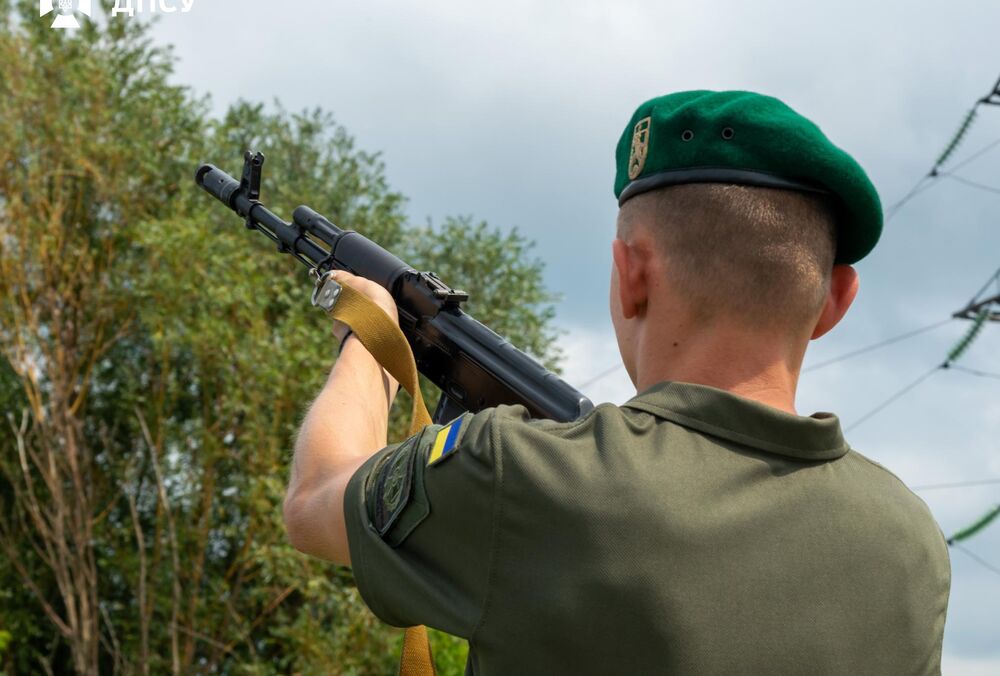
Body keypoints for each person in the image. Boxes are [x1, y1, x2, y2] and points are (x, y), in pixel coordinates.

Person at [282, 90, 951, 674]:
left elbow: (315, 501)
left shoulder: (523, 474)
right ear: (835, 301)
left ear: (631, 274)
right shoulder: (912, 544)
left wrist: (370, 339)